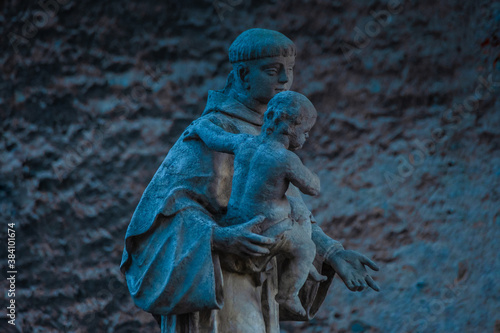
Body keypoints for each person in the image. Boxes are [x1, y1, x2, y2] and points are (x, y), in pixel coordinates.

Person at [121, 28, 380, 333]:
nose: (284, 80)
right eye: (272, 70)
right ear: (243, 75)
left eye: (290, 70)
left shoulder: (272, 137)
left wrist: (333, 253)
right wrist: (220, 238)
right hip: (219, 285)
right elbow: (160, 218)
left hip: (261, 281)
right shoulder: (212, 130)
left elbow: (289, 210)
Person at [184, 91, 327, 317]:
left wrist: (199, 126)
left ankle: (302, 264)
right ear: (290, 128)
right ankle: (288, 294)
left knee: (297, 207)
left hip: (234, 220)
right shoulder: (286, 159)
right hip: (270, 230)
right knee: (306, 247)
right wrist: (315, 177)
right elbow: (313, 188)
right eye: (306, 132)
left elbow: (216, 138)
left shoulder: (244, 142)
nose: (307, 138)